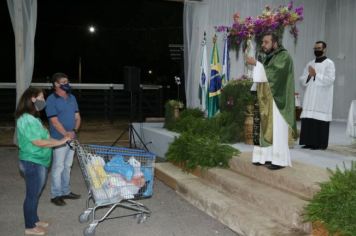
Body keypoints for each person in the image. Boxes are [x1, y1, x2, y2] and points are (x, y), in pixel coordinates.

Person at [15, 87, 72, 235]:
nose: (44, 101)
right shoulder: (27, 119)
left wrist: (61, 140)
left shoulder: (34, 118)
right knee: (32, 195)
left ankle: (34, 220)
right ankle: (30, 227)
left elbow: (46, 138)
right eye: (41, 97)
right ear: (33, 99)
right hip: (32, 161)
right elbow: (38, 142)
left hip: (38, 161)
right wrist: (60, 142)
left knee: (35, 193)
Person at [246, 32, 297, 170]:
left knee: (277, 128)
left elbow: (274, 73)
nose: (263, 45)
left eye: (266, 42)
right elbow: (264, 73)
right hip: (265, 98)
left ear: (275, 43)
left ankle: (280, 160)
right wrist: (257, 64)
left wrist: (256, 64)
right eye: (262, 42)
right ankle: (265, 157)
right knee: (265, 128)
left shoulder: (284, 56)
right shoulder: (268, 56)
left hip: (278, 100)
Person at [45, 72, 81, 206]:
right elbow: (54, 121)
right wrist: (66, 134)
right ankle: (56, 195)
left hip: (72, 137)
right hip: (58, 139)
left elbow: (78, 117)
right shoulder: (51, 99)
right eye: (63, 82)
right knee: (58, 166)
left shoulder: (72, 98)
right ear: (56, 84)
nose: (67, 84)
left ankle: (66, 191)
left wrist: (74, 131)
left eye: (67, 81)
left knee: (68, 166)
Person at [299, 41, 335, 150]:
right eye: (315, 48)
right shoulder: (310, 63)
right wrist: (309, 76)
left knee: (319, 120)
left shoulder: (329, 63)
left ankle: (319, 144)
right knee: (309, 118)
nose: (316, 50)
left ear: (324, 49)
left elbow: (330, 79)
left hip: (322, 97)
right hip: (310, 96)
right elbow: (302, 79)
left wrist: (316, 75)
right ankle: (308, 142)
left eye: (319, 48)